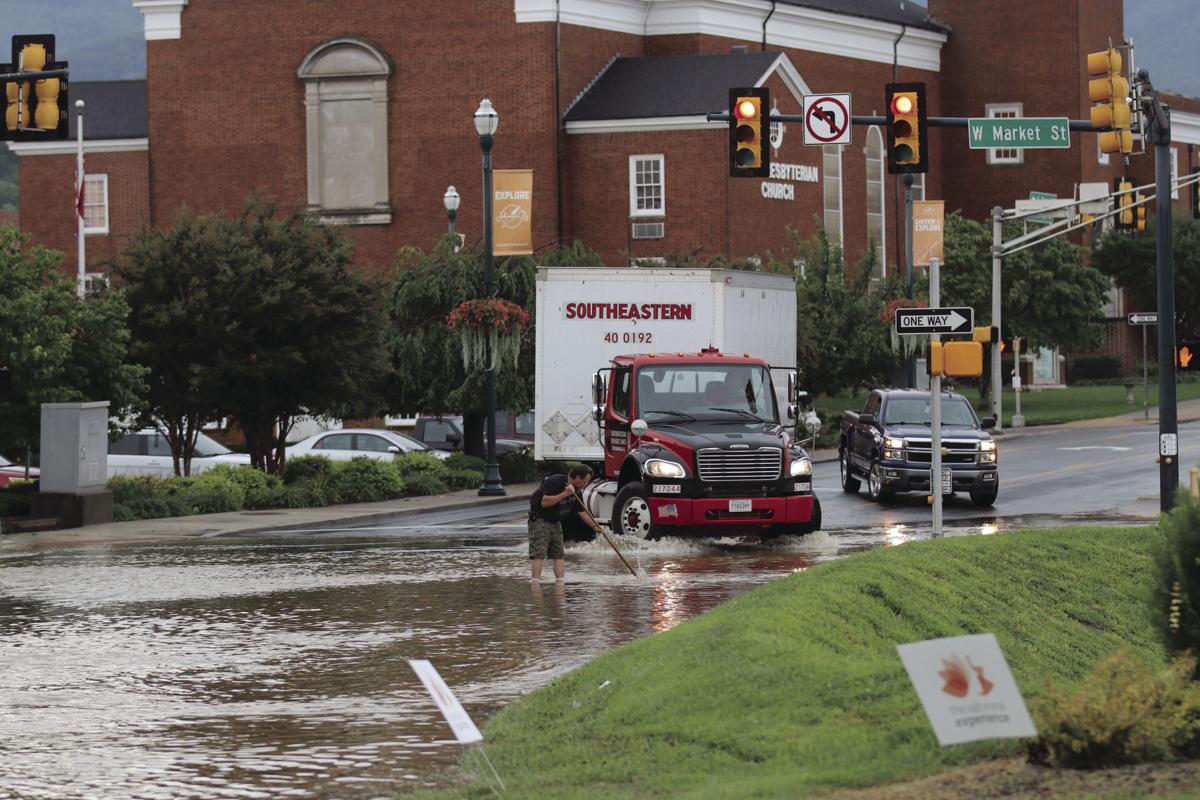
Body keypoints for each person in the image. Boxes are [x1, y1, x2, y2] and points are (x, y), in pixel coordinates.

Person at [528, 464, 604, 581]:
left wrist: (595, 526)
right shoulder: (555, 481)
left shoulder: (577, 490)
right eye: (584, 481)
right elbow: (545, 502)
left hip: (555, 522)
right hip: (540, 520)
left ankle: (560, 582)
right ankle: (535, 583)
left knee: (559, 554)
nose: (585, 484)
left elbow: (582, 511)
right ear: (577, 477)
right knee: (539, 554)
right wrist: (565, 494)